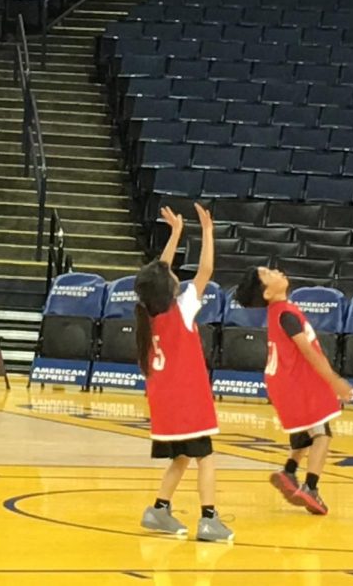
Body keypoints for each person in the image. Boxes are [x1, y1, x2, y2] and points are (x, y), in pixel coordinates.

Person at [137, 203, 233, 543]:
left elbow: (158, 273)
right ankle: (209, 518)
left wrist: (176, 233)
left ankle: (159, 510)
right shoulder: (182, 308)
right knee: (205, 457)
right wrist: (207, 232)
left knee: (180, 456)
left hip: (164, 404)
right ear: (169, 288)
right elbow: (205, 271)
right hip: (187, 399)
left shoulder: (148, 314)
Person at [238, 267, 353, 516]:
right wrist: (334, 381)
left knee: (306, 429)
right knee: (322, 433)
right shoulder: (287, 314)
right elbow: (309, 353)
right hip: (299, 382)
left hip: (282, 382)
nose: (277, 271)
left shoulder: (277, 312)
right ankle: (311, 487)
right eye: (269, 273)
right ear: (268, 292)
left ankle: (289, 470)